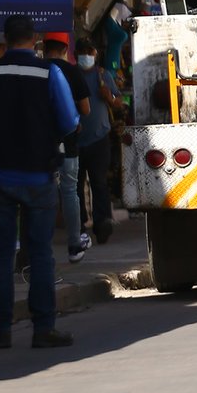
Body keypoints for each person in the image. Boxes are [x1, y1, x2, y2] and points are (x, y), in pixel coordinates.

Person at [0, 13, 79, 350]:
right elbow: (69, 120)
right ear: (34, 41)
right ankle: (43, 328)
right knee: (41, 253)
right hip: (38, 174)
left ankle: (1, 330)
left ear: (5, 39)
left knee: (0, 255)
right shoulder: (49, 72)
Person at [42, 33, 91, 263]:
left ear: (43, 46)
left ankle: (42, 249)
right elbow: (86, 109)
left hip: (40, 143)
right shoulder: (72, 71)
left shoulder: (37, 69)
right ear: (65, 48)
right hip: (68, 142)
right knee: (70, 192)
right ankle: (74, 245)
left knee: (44, 193)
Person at [75, 38, 121, 246]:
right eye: (82, 51)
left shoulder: (104, 75)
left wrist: (109, 97)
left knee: (99, 183)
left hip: (99, 139)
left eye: (89, 51)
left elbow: (119, 102)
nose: (86, 55)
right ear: (76, 54)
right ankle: (79, 224)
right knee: (75, 185)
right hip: (75, 139)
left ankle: (102, 224)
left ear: (95, 53)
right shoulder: (71, 75)